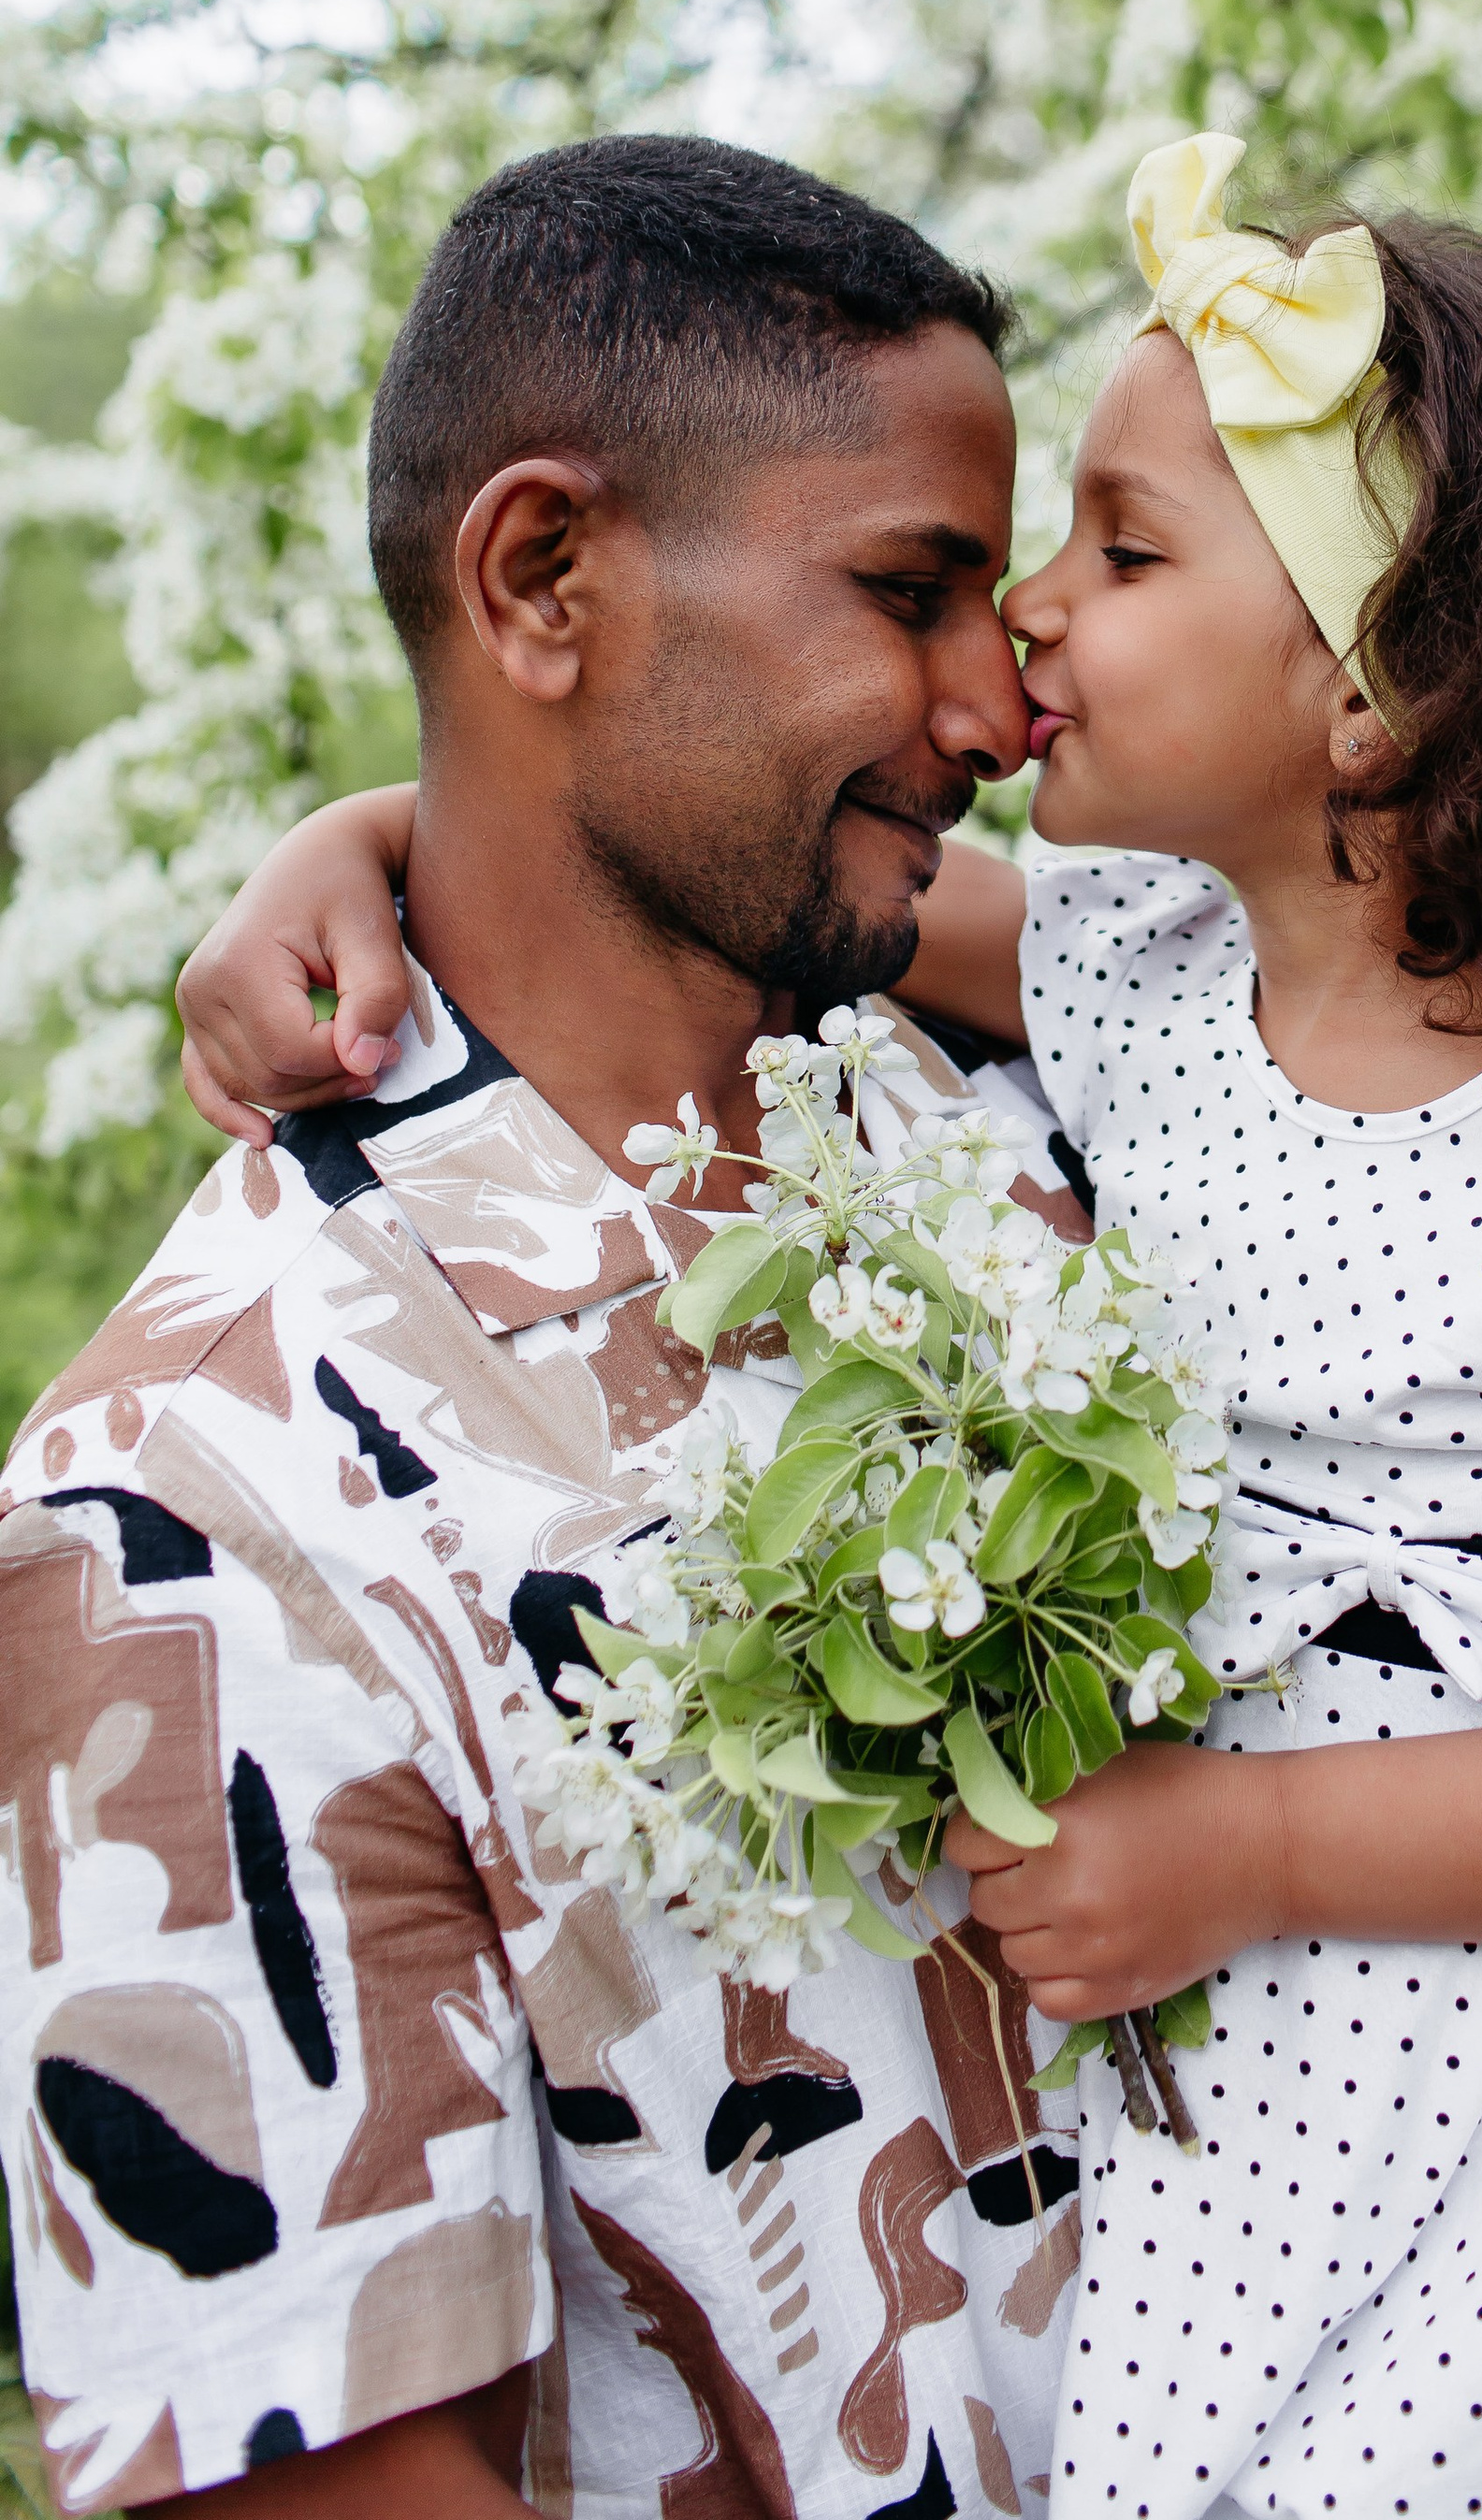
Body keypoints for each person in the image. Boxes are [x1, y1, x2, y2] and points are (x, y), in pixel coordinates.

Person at [176, 134, 1482, 2520]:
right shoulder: (1138, 973)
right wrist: (342, 848)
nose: (1023, 628)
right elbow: (614, 819)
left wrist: (1261, 1846)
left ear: (1389, 693)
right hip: (1281, 2103)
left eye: (1116, 553)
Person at [0, 136, 1090, 2520]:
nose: (1003, 697)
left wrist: (380, 827)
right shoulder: (200, 1503)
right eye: (908, 591)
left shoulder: (1047, 1120)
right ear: (542, 577)